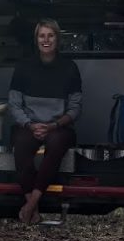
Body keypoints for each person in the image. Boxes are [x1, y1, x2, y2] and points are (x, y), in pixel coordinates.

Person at [7, 18, 82, 224]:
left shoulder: (69, 68)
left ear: (57, 39)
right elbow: (14, 104)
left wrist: (54, 125)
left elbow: (75, 109)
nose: (46, 40)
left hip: (58, 126)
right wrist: (30, 125)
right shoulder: (23, 67)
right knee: (20, 144)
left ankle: (31, 205)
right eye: (42, 36)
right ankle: (33, 206)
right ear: (36, 39)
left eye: (51, 35)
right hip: (29, 125)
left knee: (56, 143)